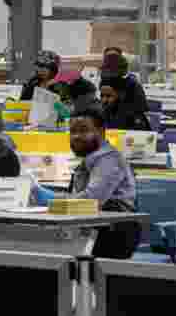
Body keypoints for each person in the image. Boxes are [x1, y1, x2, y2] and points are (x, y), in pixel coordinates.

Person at [34, 104, 141, 259]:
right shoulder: (89, 160)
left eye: (84, 130)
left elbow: (91, 200)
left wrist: (52, 199)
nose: (76, 136)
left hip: (113, 233)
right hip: (91, 228)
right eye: (73, 131)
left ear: (101, 132)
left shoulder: (109, 160)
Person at [99, 51, 150, 120]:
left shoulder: (132, 84)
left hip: (131, 124)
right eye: (105, 70)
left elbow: (141, 109)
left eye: (109, 69)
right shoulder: (104, 83)